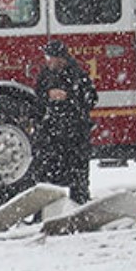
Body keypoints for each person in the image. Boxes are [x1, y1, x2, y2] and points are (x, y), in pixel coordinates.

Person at [34, 40, 97, 204]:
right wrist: (47, 96)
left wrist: (68, 96)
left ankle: (79, 204)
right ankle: (46, 207)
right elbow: (37, 99)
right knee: (46, 174)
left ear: (60, 58)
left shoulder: (78, 75)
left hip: (74, 134)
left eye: (51, 57)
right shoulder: (45, 75)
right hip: (51, 134)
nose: (48, 61)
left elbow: (91, 98)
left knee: (77, 174)